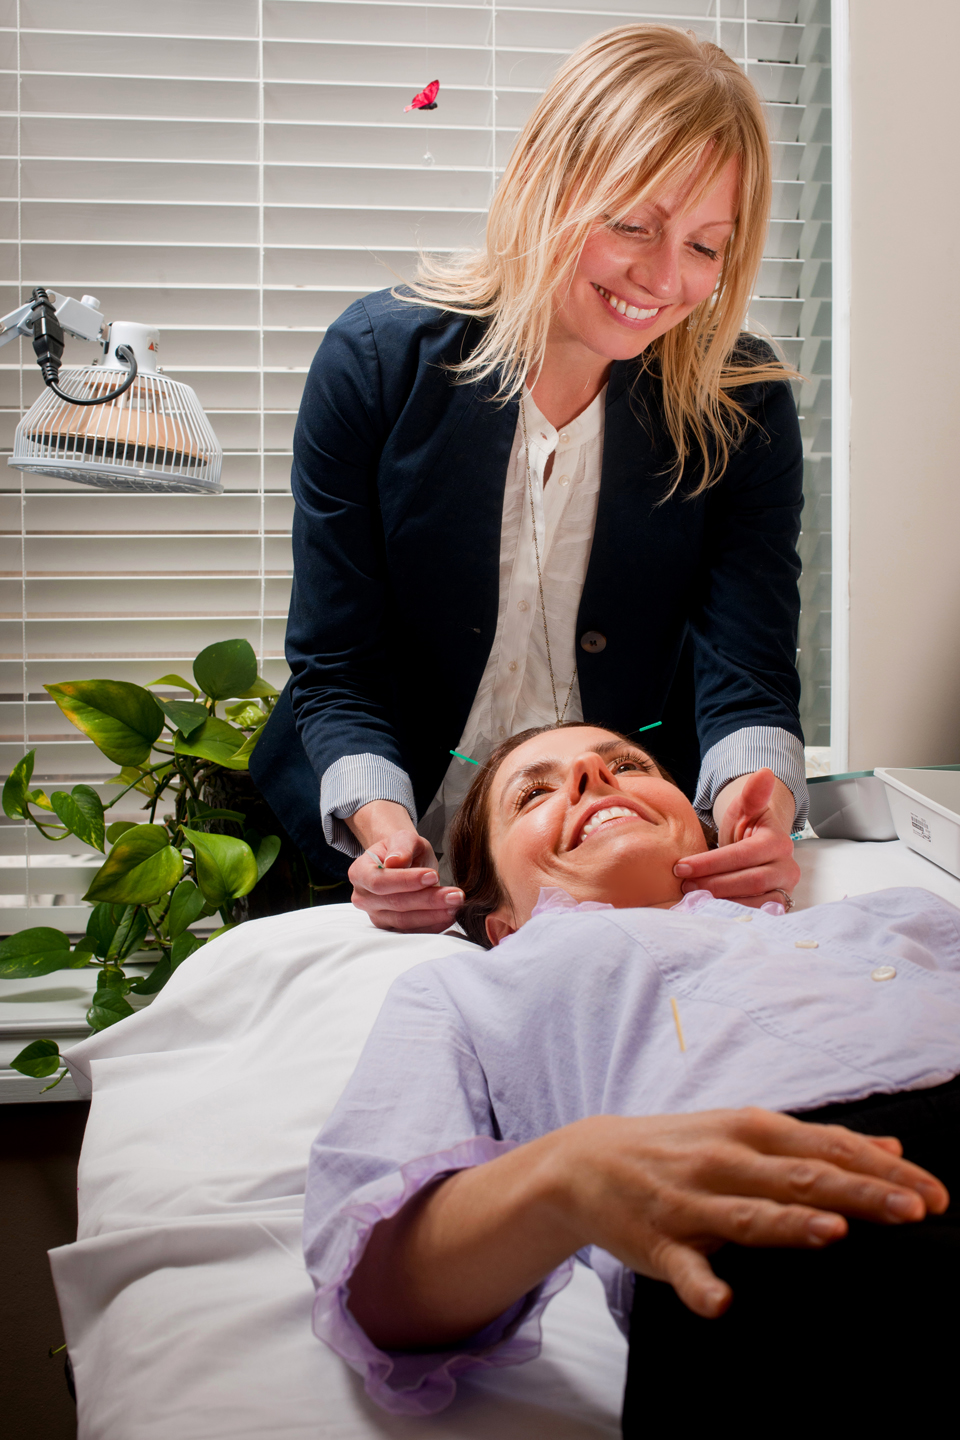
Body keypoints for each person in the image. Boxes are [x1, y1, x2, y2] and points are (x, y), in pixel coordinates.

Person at [252, 25, 809, 932]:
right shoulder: (377, 364)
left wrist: (761, 803)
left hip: (610, 873)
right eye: (633, 225)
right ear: (550, 185)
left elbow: (746, 667)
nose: (665, 280)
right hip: (365, 847)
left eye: (708, 246)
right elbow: (338, 663)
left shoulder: (740, 401)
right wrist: (382, 833)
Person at [302, 723, 959, 1427]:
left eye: (632, 765)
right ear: (504, 925)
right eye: (532, 795)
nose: (593, 773)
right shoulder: (462, 990)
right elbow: (374, 1280)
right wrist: (568, 1179)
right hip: (764, 1208)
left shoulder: (900, 912)